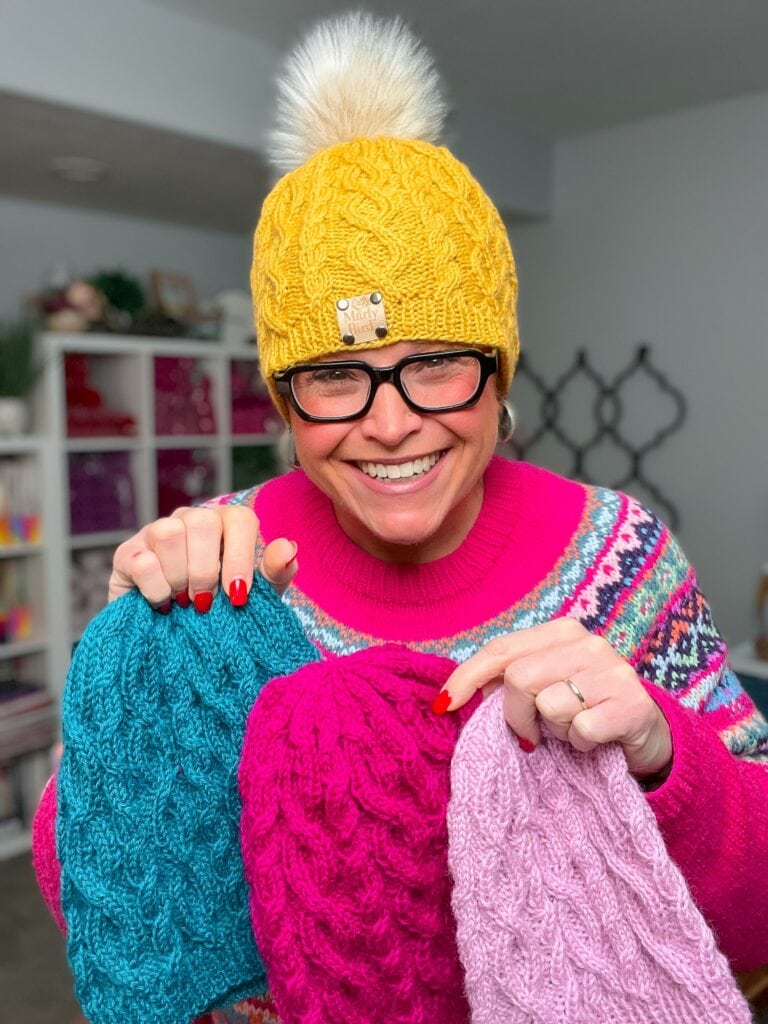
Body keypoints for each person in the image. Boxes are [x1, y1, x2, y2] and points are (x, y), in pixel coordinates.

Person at [43, 11, 768, 1022]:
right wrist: (133, 666)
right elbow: (104, 905)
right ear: (285, 399)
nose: (390, 424)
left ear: (498, 371)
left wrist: (661, 756)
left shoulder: (621, 554)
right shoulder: (217, 565)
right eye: (336, 375)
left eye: (435, 364)